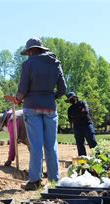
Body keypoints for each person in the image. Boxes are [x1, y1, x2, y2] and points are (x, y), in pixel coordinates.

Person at [10, 38, 67, 191]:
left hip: (32, 107)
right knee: (51, 145)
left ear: (30, 51)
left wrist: (18, 99)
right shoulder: (56, 63)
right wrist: (50, 97)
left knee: (36, 145)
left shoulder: (28, 64)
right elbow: (63, 89)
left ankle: (35, 180)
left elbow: (22, 88)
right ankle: (54, 180)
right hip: (50, 108)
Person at [66, 92, 97, 156]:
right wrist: (80, 114)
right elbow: (70, 120)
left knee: (92, 143)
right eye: (69, 99)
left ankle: (99, 161)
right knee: (80, 146)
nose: (71, 100)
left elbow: (85, 112)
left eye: (72, 98)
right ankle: (82, 163)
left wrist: (75, 117)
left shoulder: (82, 103)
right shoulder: (70, 109)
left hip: (87, 125)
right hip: (77, 128)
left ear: (75, 97)